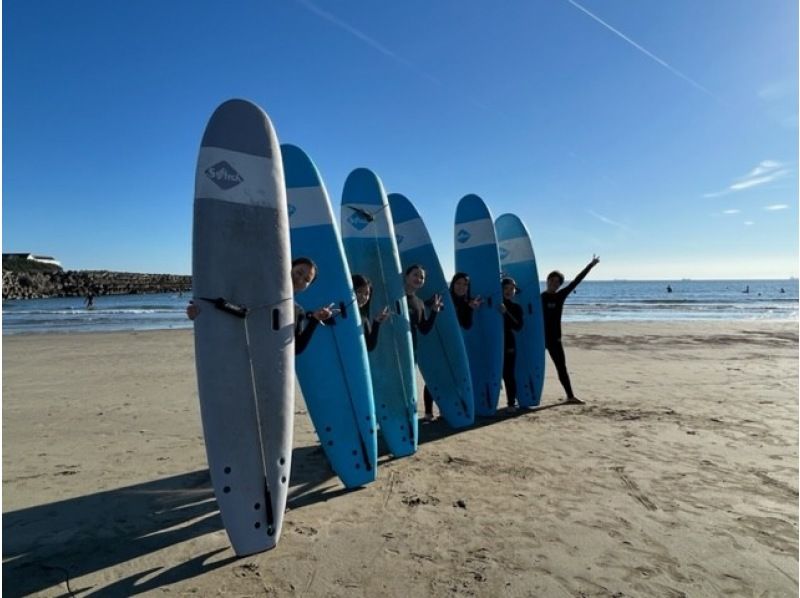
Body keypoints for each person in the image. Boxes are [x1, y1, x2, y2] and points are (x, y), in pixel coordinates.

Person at [186, 257, 333, 355]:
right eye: (299, 272)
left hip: (266, 365)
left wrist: (314, 320)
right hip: (235, 355)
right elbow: (238, 311)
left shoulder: (297, 311)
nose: (300, 279)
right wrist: (203, 311)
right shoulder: (258, 292)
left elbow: (296, 348)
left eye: (307, 279)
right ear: (289, 268)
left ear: (308, 286)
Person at [541, 255, 600, 404]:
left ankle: (570, 396)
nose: (554, 284)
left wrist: (590, 265)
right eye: (551, 280)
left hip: (554, 339)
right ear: (547, 281)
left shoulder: (560, 296)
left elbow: (576, 281)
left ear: (560, 285)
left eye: (557, 282)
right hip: (539, 338)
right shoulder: (538, 297)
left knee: (561, 368)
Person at [403, 264, 443, 422]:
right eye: (415, 275)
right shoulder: (394, 296)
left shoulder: (418, 303)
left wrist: (434, 311)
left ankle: (407, 418)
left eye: (422, 277)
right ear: (406, 276)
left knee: (408, 385)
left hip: (411, 348)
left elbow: (424, 329)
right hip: (393, 350)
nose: (419, 279)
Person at [499, 278, 523, 411]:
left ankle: (511, 403)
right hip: (494, 343)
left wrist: (505, 312)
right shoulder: (494, 304)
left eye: (511, 289)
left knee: (508, 374)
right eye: (506, 288)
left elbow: (518, 326)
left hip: (508, 342)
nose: (509, 291)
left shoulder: (516, 308)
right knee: (494, 372)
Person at [352, 274, 389, 351]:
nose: (363, 297)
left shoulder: (363, 318)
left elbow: (369, 346)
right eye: (359, 291)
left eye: (366, 294)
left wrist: (376, 322)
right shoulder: (339, 313)